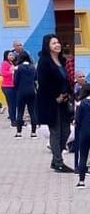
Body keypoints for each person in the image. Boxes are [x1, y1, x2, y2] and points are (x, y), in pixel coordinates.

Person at [36, 34, 74, 173]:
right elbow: (43, 83)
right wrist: (55, 96)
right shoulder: (44, 61)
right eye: (53, 43)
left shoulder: (62, 60)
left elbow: (66, 80)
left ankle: (55, 160)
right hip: (50, 102)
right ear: (48, 46)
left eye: (58, 42)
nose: (57, 45)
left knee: (67, 131)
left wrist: (68, 94)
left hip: (63, 101)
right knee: (56, 132)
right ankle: (58, 163)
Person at [12, 53, 38, 137]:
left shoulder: (18, 68)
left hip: (21, 91)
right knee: (32, 112)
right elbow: (35, 78)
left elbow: (15, 81)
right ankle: (33, 133)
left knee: (20, 112)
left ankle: (19, 133)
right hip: (31, 91)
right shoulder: (33, 67)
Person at [74, 84, 90, 187]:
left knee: (83, 156)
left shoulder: (82, 104)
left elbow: (78, 120)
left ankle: (81, 181)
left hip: (85, 132)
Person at [0, 50, 17, 126]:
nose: (12, 56)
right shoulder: (4, 63)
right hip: (7, 86)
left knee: (13, 104)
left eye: (12, 55)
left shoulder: (11, 63)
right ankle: (13, 121)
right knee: (11, 104)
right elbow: (2, 73)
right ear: (6, 56)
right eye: (10, 55)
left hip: (12, 86)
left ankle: (13, 118)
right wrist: (12, 72)